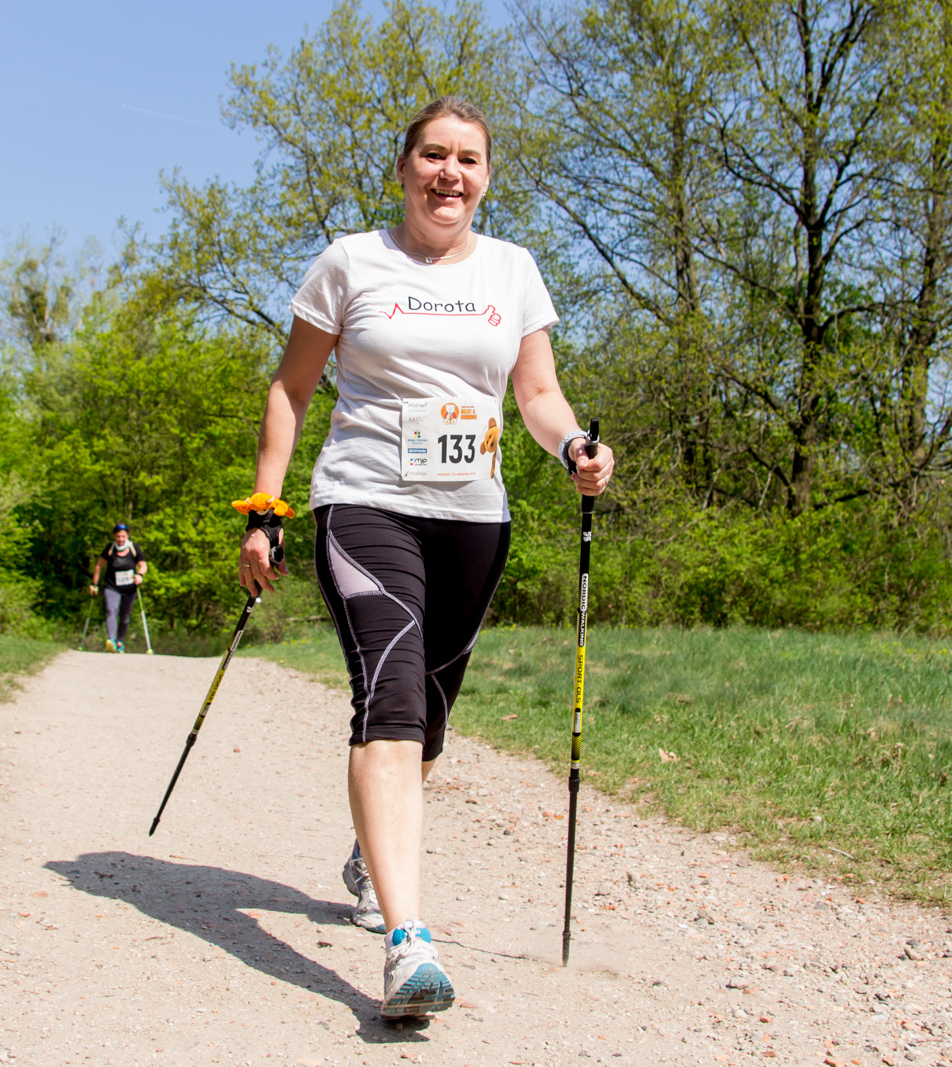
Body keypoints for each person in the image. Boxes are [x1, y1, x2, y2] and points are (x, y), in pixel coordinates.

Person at [236, 97, 614, 1019]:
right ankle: (410, 946)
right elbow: (291, 389)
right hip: (364, 504)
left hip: (472, 520)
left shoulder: (513, 270)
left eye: (469, 160)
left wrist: (572, 448)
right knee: (391, 698)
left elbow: (537, 391)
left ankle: (374, 850)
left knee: (431, 713)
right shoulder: (350, 262)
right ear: (404, 169)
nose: (451, 174)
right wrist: (265, 508)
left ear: (487, 177)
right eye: (434, 156)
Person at [89, 523, 147, 653]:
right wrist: (94, 584)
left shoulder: (134, 548)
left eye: (123, 537)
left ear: (127, 536)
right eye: (118, 537)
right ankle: (111, 640)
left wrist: (140, 575)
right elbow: (99, 565)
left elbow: (143, 565)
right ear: (114, 536)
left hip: (129, 588)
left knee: (125, 615)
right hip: (112, 586)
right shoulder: (110, 549)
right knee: (111, 609)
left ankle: (120, 641)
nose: (120, 540)